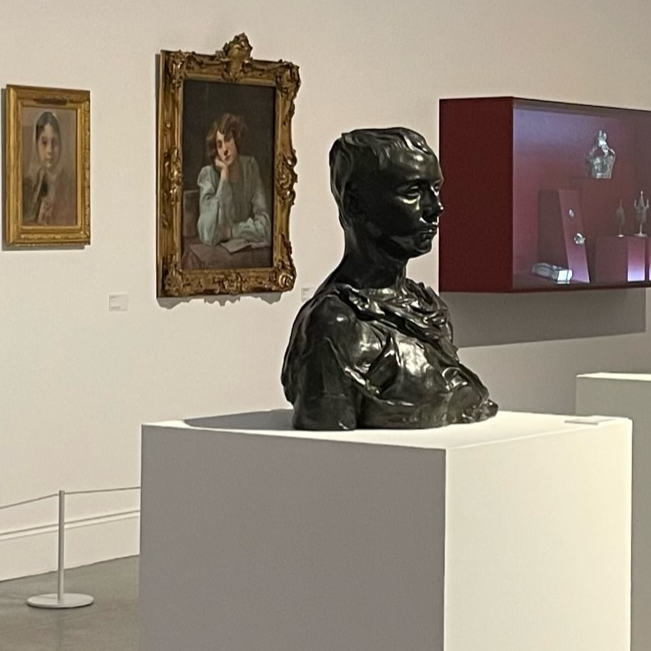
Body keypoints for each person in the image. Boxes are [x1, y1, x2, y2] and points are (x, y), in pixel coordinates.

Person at [280, 128, 497, 431]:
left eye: (436, 189)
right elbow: (327, 449)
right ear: (355, 203)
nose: (435, 207)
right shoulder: (335, 326)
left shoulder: (427, 307)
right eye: (412, 192)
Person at [195, 113, 268, 251]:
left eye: (228, 140)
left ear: (236, 139)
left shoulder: (250, 168)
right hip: (218, 254)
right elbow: (207, 235)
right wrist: (224, 176)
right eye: (219, 145)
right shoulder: (208, 175)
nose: (225, 150)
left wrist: (231, 232)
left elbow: (265, 227)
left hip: (243, 252)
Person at [25, 110, 74, 227]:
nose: (49, 151)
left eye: (54, 143)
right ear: (36, 144)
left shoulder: (70, 185)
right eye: (44, 142)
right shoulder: (29, 185)